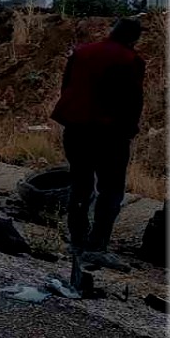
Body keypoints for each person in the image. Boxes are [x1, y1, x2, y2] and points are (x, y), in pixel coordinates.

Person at [50, 17, 146, 271]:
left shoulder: (82, 53)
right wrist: (129, 130)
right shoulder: (130, 60)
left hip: (76, 129)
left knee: (80, 184)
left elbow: (67, 87)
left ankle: (77, 241)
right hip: (109, 134)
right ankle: (96, 246)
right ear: (134, 39)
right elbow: (132, 100)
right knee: (111, 191)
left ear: (112, 31)